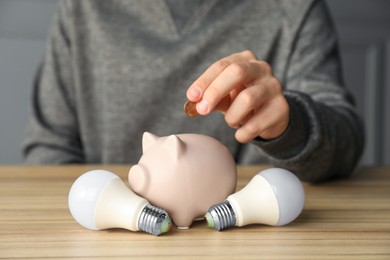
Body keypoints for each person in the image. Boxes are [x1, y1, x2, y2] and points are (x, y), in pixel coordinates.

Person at [23, 0, 364, 182]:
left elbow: (346, 142)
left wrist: (290, 127)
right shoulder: (83, 8)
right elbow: (47, 151)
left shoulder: (293, 8)